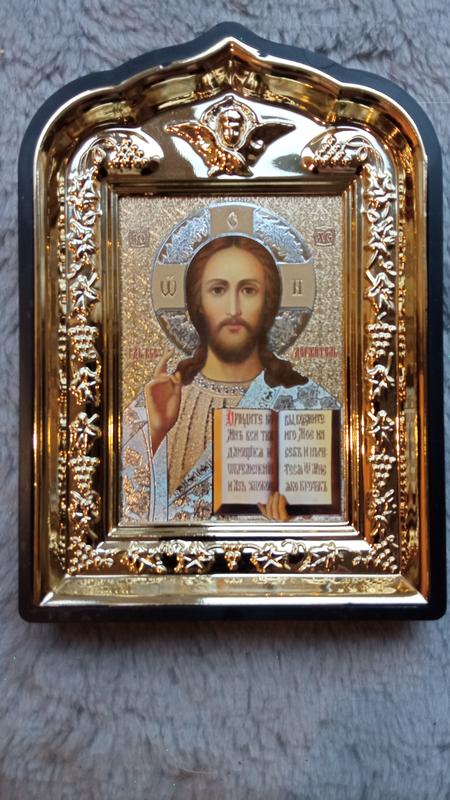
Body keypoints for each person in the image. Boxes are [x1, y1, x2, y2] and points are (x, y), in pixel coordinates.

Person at [121, 236, 338, 523]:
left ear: (268, 302)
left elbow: (342, 522)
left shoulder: (308, 404)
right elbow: (122, 521)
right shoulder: (155, 402)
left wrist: (289, 529)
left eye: (248, 290)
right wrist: (156, 432)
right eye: (218, 290)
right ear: (198, 302)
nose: (233, 309)